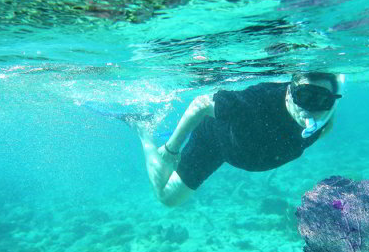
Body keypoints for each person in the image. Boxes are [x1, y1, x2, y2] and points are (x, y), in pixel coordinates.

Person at [135, 71, 344, 206]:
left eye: (322, 101)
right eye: (305, 96)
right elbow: (201, 104)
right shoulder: (255, 104)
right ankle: (144, 128)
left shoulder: (324, 120)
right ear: (289, 93)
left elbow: (327, 110)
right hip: (213, 140)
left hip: (239, 150)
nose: (309, 108)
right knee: (167, 198)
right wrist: (172, 149)